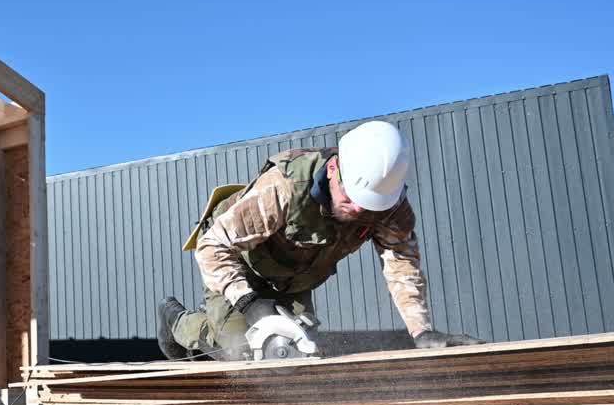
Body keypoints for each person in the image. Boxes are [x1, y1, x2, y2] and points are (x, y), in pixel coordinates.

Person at [158, 120, 479, 361]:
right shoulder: (284, 188)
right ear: (334, 168)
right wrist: (249, 303)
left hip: (295, 276)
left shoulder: (391, 207)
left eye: (368, 206)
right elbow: (213, 247)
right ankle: (177, 321)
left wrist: (421, 332)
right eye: (352, 198)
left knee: (298, 351)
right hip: (240, 261)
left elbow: (402, 267)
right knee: (236, 349)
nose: (357, 211)